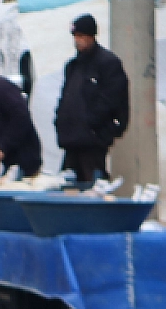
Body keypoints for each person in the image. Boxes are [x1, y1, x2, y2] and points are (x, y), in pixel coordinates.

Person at [53, 13, 129, 185]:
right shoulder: (73, 66)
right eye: (75, 36)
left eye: (81, 36)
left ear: (91, 36)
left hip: (93, 140)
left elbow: (111, 98)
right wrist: (60, 120)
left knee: (93, 183)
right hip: (71, 139)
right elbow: (66, 96)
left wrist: (92, 123)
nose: (77, 40)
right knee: (69, 185)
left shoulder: (107, 63)